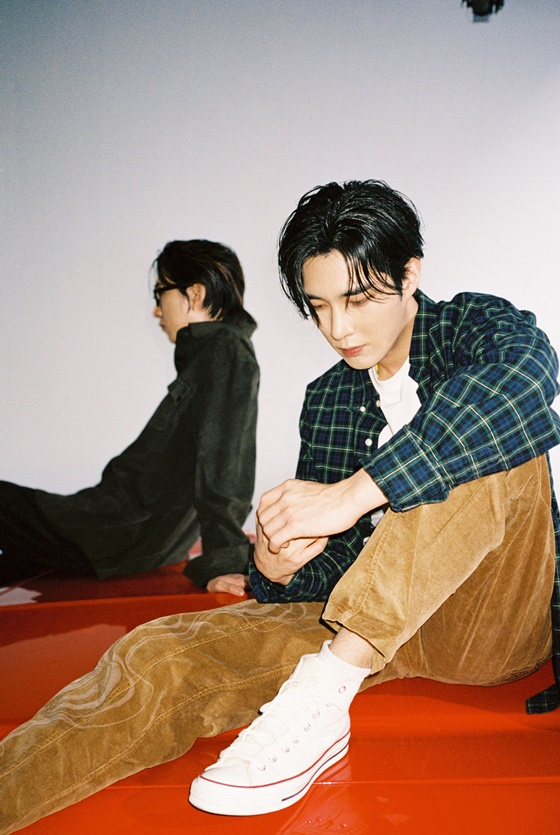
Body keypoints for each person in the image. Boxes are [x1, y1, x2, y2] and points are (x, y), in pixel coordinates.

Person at [1, 181, 559, 833]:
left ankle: (324, 693)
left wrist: (356, 492)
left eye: (357, 299)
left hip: (483, 622)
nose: (337, 329)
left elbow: (526, 382)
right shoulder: (327, 398)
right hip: (362, 625)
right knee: (155, 655)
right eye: (319, 307)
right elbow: (331, 567)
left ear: (409, 274)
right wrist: (276, 565)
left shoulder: (475, 327)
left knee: (487, 440)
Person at [0, 239, 259, 596]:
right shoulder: (213, 355)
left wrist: (224, 562)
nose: (156, 310)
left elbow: (225, 461)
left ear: (195, 294)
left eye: (160, 293)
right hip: (118, 532)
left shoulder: (226, 352)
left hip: (115, 532)